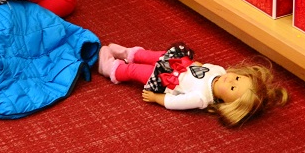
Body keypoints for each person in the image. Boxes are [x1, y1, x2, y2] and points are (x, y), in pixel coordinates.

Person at [97, 42, 288, 127]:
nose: (231, 80)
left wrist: (157, 98)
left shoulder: (201, 97)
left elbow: (176, 103)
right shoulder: (220, 72)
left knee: (137, 72)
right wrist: (194, 64)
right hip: (177, 64)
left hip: (167, 81)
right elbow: (203, 67)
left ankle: (111, 68)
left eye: (232, 88)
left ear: (226, 103)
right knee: (152, 55)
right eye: (237, 79)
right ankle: (128, 53)